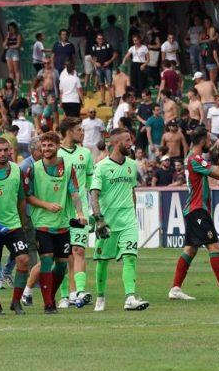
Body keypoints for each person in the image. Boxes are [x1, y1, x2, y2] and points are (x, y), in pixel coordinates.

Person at [168, 128, 219, 301]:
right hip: (197, 210)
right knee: (214, 246)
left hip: (194, 210)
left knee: (190, 249)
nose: (210, 143)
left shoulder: (193, 158)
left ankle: (175, 288)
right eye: (208, 140)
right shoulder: (194, 159)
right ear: (203, 140)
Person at [24, 131, 86, 314]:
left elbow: (74, 192)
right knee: (46, 260)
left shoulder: (68, 167)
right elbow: (28, 197)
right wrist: (46, 205)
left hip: (63, 223)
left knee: (61, 264)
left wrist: (80, 212)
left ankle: (50, 295)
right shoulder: (33, 169)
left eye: (50, 145)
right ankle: (48, 303)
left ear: (58, 146)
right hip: (42, 223)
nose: (46, 148)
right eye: (43, 145)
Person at [90, 128, 149, 311]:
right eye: (126, 140)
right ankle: (100, 297)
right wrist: (99, 219)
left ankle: (130, 297)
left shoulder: (132, 165)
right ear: (115, 143)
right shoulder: (101, 167)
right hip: (108, 222)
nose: (130, 143)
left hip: (128, 221)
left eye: (130, 139)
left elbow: (132, 191)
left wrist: (133, 211)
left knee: (130, 257)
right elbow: (94, 194)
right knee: (102, 261)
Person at [0, 137, 30, 315]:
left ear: (10, 151)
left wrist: (23, 222)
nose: (2, 153)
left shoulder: (17, 170)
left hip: (13, 225)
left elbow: (22, 199)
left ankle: (16, 302)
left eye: (5, 150)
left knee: (24, 260)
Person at [57, 118, 96, 307]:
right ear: (68, 132)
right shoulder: (55, 153)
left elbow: (90, 185)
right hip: (60, 213)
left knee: (79, 250)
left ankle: (79, 292)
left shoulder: (86, 154)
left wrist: (95, 212)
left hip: (80, 213)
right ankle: (65, 295)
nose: (83, 133)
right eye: (79, 130)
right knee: (65, 256)